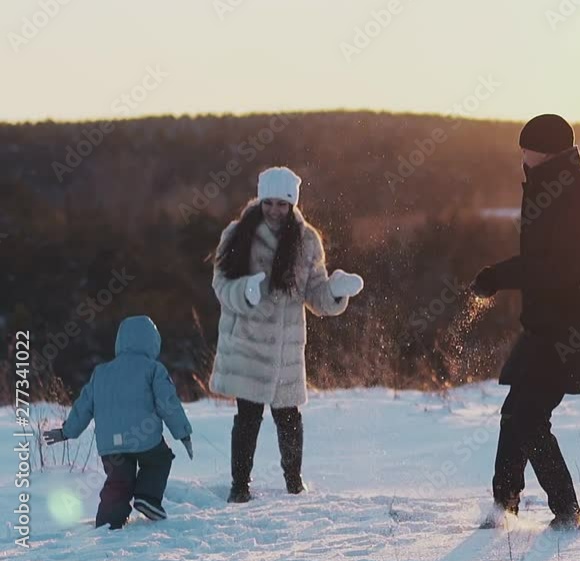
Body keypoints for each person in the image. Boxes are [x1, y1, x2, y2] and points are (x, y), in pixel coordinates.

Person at [471, 114, 580, 530]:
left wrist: (499, 276)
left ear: (544, 151)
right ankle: (504, 509)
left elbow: (555, 266)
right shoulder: (552, 184)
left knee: (529, 417)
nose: (521, 155)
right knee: (516, 414)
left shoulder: (572, 193)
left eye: (526, 148)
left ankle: (568, 513)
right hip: (549, 324)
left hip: (569, 327)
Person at [209, 166, 364, 503]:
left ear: (293, 203)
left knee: (289, 416)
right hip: (248, 343)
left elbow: (316, 295)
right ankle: (239, 487)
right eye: (269, 203)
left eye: (282, 204)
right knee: (248, 416)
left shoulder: (308, 241)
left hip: (286, 348)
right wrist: (245, 291)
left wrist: (337, 290)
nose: (275, 210)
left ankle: (294, 485)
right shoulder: (238, 234)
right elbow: (221, 286)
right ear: (261, 199)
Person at [43, 315, 194, 529]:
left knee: (118, 481)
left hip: (110, 445)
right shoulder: (153, 369)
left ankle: (108, 522)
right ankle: (148, 498)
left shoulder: (101, 372)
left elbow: (83, 405)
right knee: (159, 460)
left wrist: (66, 432)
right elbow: (167, 403)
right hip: (144, 438)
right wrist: (183, 433)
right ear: (153, 342)